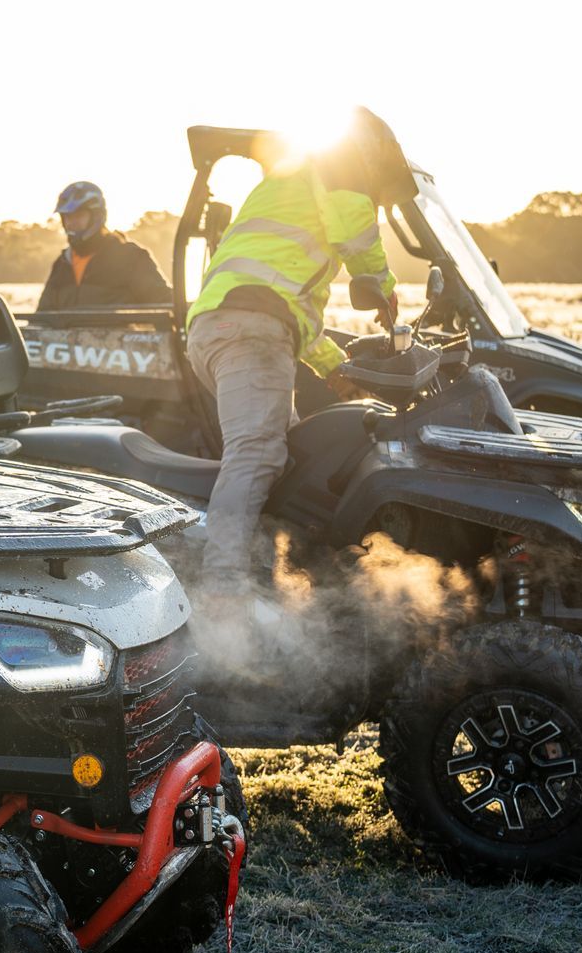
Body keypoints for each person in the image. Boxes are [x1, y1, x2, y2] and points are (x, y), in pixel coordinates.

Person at [183, 107, 413, 603]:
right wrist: (386, 290)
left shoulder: (295, 186)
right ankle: (222, 591)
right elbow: (357, 234)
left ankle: (265, 577)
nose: (378, 200)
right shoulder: (340, 166)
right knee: (258, 451)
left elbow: (294, 314)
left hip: (235, 323)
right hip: (248, 328)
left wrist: (337, 369)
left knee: (279, 455)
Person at [35, 180, 172, 311]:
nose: (71, 223)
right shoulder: (62, 264)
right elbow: (42, 317)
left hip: (121, 334)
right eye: (67, 217)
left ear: (97, 216)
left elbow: (166, 303)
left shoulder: (131, 258)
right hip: (64, 336)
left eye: (79, 216)